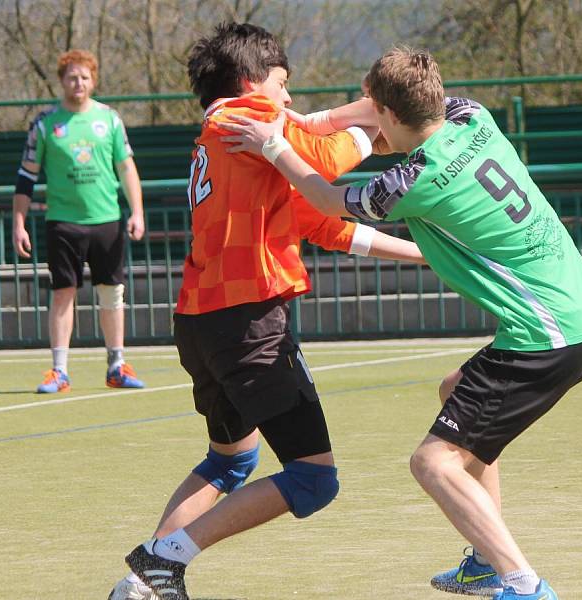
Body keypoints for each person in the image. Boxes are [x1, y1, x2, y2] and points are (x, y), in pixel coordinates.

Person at [221, 47, 582, 600]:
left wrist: (275, 144)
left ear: (388, 111)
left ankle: (523, 584)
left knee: (433, 462)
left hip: (547, 336)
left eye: (374, 111)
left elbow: (326, 198)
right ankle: (484, 563)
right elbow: (392, 122)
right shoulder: (472, 114)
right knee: (457, 390)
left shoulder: (410, 181)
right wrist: (320, 122)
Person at [108, 23, 424, 600]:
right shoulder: (247, 117)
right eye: (283, 85)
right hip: (247, 322)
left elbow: (318, 223)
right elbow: (327, 158)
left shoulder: (219, 134)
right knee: (314, 478)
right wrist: (376, 121)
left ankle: (145, 584)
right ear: (252, 81)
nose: (288, 101)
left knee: (233, 460)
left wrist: (421, 253)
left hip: (204, 322)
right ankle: (163, 559)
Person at [12, 50, 145, 394]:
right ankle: (59, 371)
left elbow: (127, 167)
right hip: (63, 223)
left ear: (93, 80)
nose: (79, 83)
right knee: (62, 294)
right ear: (62, 81)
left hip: (106, 222)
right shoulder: (44, 123)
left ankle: (116, 365)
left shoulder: (110, 119)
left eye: (85, 77)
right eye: (72, 77)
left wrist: (137, 212)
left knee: (112, 293)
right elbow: (26, 178)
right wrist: (19, 222)